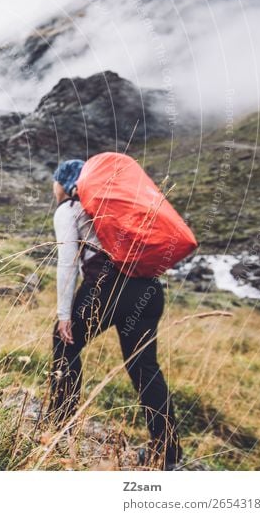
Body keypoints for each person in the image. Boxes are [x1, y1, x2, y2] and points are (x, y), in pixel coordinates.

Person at [48, 159, 182, 470]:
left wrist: (64, 315)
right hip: (148, 290)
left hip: (106, 288)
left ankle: (59, 427)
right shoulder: (118, 207)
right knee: (145, 368)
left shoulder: (70, 209)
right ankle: (168, 453)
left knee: (63, 343)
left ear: (65, 185)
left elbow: (67, 262)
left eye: (54, 183)